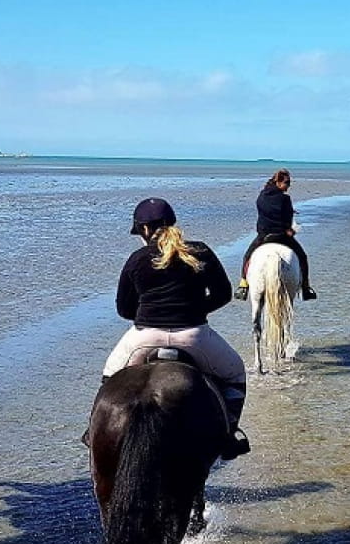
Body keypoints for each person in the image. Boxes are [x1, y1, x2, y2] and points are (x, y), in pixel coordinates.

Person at [103, 197, 251, 459]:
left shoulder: (137, 258)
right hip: (193, 336)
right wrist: (195, 311)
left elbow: (123, 309)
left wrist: (148, 313)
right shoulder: (200, 251)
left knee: (109, 378)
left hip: (143, 338)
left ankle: (98, 435)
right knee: (235, 374)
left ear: (145, 230)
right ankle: (228, 436)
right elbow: (223, 293)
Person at [234, 169, 317, 301]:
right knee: (302, 257)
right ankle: (306, 288)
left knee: (247, 256)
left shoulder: (261, 196)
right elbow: (287, 218)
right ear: (278, 182)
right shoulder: (285, 198)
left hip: (264, 235)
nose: (288, 186)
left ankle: (243, 285)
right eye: (286, 183)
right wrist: (289, 229)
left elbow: (263, 212)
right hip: (281, 235)